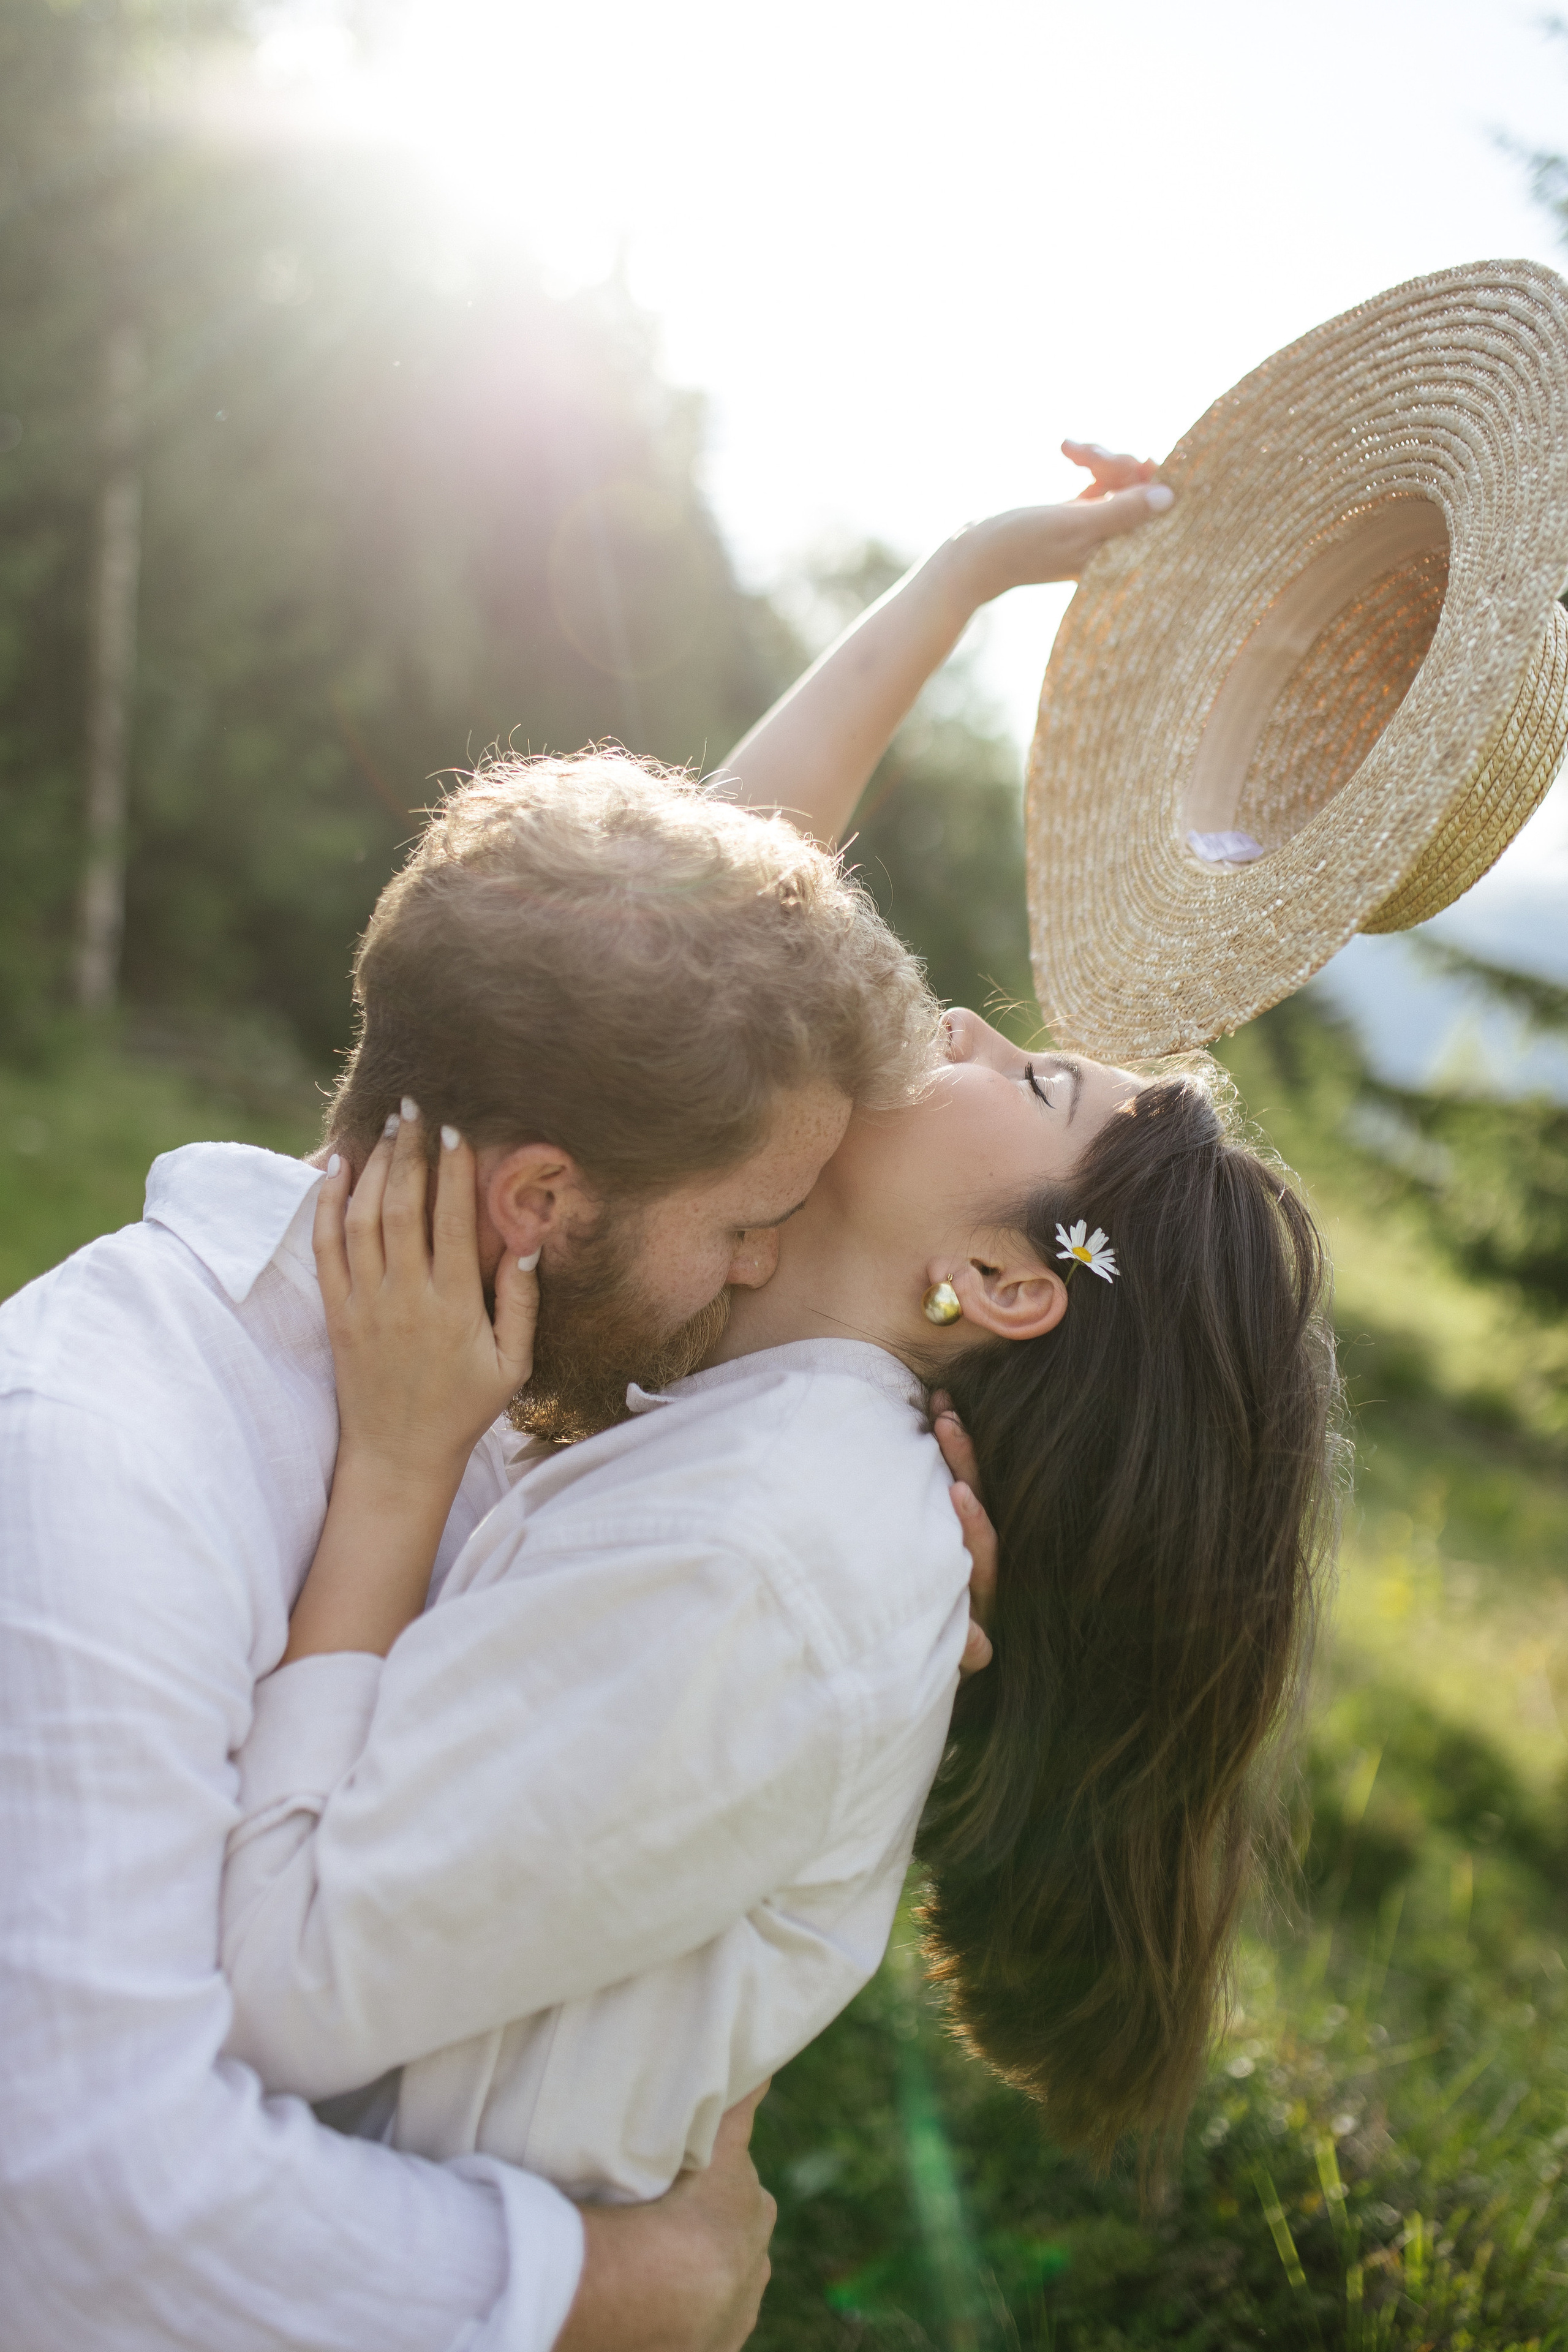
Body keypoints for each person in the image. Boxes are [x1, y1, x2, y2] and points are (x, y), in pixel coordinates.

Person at [0, 442, 1168, 2350]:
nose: (752, 1276)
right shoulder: (103, 1461)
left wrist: (951, 588)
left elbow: (678, 975)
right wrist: (612, 2288)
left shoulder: (536, 1327)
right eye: (753, 1228)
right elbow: (95, 2209)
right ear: (547, 1200)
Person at [212, 448, 1340, 2200]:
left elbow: (284, 1988)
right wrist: (959, 583)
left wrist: (392, 1476)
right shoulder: (748, 1376)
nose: (964, 1023)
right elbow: (663, 961)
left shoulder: (765, 1552)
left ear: (1006, 1286)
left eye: (1028, 1075)